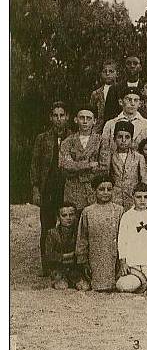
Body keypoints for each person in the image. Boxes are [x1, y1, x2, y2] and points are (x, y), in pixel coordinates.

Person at [31, 101, 72, 275]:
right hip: (49, 187)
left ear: (68, 117)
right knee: (47, 226)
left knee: (69, 224)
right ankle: (47, 265)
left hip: (68, 186)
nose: (58, 119)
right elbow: (35, 165)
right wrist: (35, 188)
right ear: (50, 117)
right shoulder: (42, 138)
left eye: (62, 115)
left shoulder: (73, 137)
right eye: (55, 115)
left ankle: (69, 264)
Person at [75, 175, 124, 291]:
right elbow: (82, 238)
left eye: (109, 189)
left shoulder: (119, 210)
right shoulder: (88, 212)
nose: (106, 192)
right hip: (95, 257)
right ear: (94, 190)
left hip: (114, 257)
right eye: (101, 189)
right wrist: (83, 262)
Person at [115, 184, 147, 293]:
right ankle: (145, 285)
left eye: (146, 197)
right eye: (139, 197)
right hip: (133, 263)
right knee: (123, 285)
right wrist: (123, 262)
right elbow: (122, 240)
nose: (142, 200)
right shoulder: (127, 216)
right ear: (133, 197)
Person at [59, 108, 111, 211]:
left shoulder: (101, 141)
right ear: (75, 119)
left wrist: (76, 166)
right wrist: (88, 165)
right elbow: (65, 165)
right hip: (73, 190)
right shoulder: (67, 142)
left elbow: (104, 166)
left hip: (93, 189)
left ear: (94, 121)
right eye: (82, 118)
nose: (85, 121)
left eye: (89, 118)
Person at [45, 204, 82, 290]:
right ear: (59, 217)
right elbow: (48, 255)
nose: (68, 218)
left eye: (71, 215)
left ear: (75, 216)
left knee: (84, 287)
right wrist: (67, 256)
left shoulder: (79, 232)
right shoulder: (52, 233)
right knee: (62, 286)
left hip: (75, 269)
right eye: (64, 215)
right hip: (59, 269)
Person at [90, 59, 119, 130]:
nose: (107, 74)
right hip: (99, 128)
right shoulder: (96, 93)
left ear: (117, 73)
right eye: (104, 71)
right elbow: (92, 112)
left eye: (111, 71)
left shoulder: (121, 90)